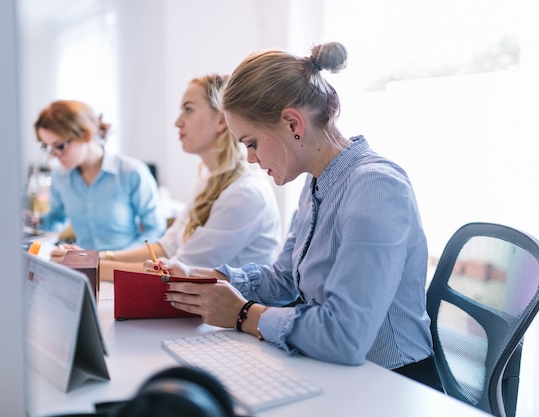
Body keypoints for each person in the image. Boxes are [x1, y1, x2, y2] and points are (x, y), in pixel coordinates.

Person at [144, 42, 443, 392]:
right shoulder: (317, 183)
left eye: (251, 142)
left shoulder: (375, 187)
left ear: (292, 123)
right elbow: (285, 280)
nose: (251, 158)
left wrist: (243, 315)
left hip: (393, 384)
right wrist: (206, 276)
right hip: (338, 372)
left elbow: (345, 335)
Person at [89, 74, 282, 281]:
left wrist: (92, 267)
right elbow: (166, 248)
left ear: (221, 119)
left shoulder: (244, 193)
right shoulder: (208, 180)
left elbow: (179, 271)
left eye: (188, 110)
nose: (177, 122)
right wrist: (95, 259)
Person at [29, 100, 166, 253]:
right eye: (47, 147)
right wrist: (36, 221)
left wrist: (114, 258)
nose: (53, 156)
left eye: (59, 146)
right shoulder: (60, 176)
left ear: (86, 135)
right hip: (82, 267)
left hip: (123, 267)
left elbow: (155, 230)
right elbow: (57, 219)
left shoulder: (131, 172)